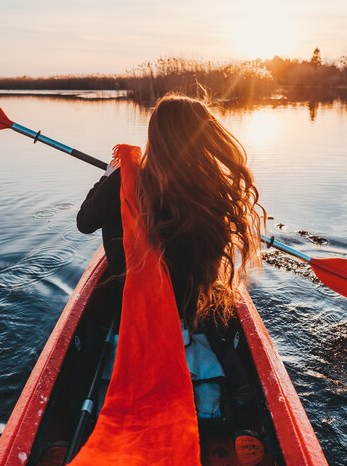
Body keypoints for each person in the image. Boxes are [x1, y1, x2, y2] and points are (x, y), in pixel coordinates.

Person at [76, 93, 266, 465]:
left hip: (128, 306)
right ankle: (247, 424)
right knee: (219, 323)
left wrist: (112, 174)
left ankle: (70, 423)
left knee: (99, 328)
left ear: (156, 137)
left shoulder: (123, 184)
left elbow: (84, 222)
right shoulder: (209, 189)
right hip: (187, 301)